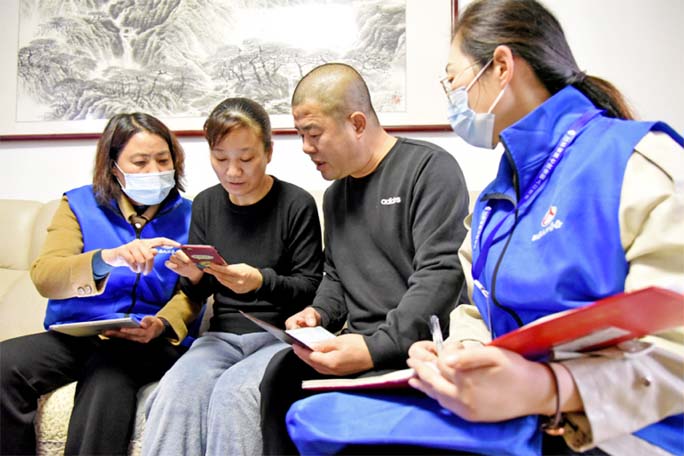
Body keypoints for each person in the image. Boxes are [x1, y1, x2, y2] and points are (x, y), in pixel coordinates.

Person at [285, 1, 684, 455]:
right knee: (314, 419)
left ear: (500, 67)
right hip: (513, 410)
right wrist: (451, 354)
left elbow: (674, 355)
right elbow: (477, 311)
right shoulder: (496, 200)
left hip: (621, 430)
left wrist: (547, 387)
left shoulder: (640, 165)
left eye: (453, 80)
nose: (453, 98)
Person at [258, 62, 470, 454]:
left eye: (314, 134)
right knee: (280, 376)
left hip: (415, 349)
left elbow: (441, 273)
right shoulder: (335, 195)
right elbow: (336, 274)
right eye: (300, 134)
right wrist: (318, 313)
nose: (306, 147)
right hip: (359, 345)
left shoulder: (428, 168)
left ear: (357, 123)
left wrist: (373, 349)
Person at [0, 113, 199, 455]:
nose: (154, 171)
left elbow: (193, 293)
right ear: (113, 167)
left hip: (147, 341)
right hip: (80, 335)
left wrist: (162, 324)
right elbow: (47, 276)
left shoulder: (194, 214)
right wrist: (107, 258)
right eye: (139, 162)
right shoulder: (77, 205)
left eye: (163, 160)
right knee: (4, 364)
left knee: (108, 372)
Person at [141, 97, 323, 456]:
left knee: (234, 395)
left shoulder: (296, 203)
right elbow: (199, 291)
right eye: (220, 158)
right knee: (176, 392)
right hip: (220, 337)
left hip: (278, 338)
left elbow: (311, 287)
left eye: (246, 158)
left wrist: (261, 281)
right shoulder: (207, 204)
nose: (233, 172)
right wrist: (193, 276)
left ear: (268, 152)